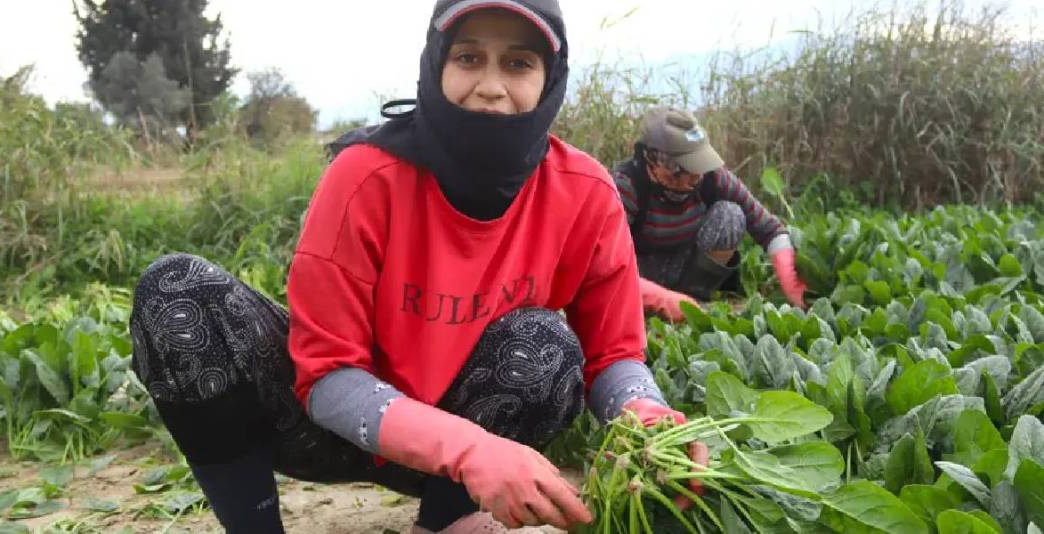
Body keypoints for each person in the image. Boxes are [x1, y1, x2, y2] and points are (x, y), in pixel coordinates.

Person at [127, 1, 707, 533]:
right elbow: (327, 377)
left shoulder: (584, 193)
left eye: (519, 63)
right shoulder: (363, 177)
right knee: (176, 292)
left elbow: (614, 355)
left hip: (464, 452)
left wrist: (648, 417)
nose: (490, 86)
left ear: (549, 79)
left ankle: (443, 525)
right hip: (332, 429)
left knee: (545, 344)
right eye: (469, 57)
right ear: (436, 64)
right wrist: (467, 449)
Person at [612, 106, 808, 321]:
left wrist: (790, 279)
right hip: (639, 274)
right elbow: (607, 262)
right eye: (686, 169)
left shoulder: (712, 177)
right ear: (656, 160)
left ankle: (695, 300)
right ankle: (654, 308)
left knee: (730, 216)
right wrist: (659, 299)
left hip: (685, 266)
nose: (696, 177)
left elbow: (768, 229)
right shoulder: (626, 187)